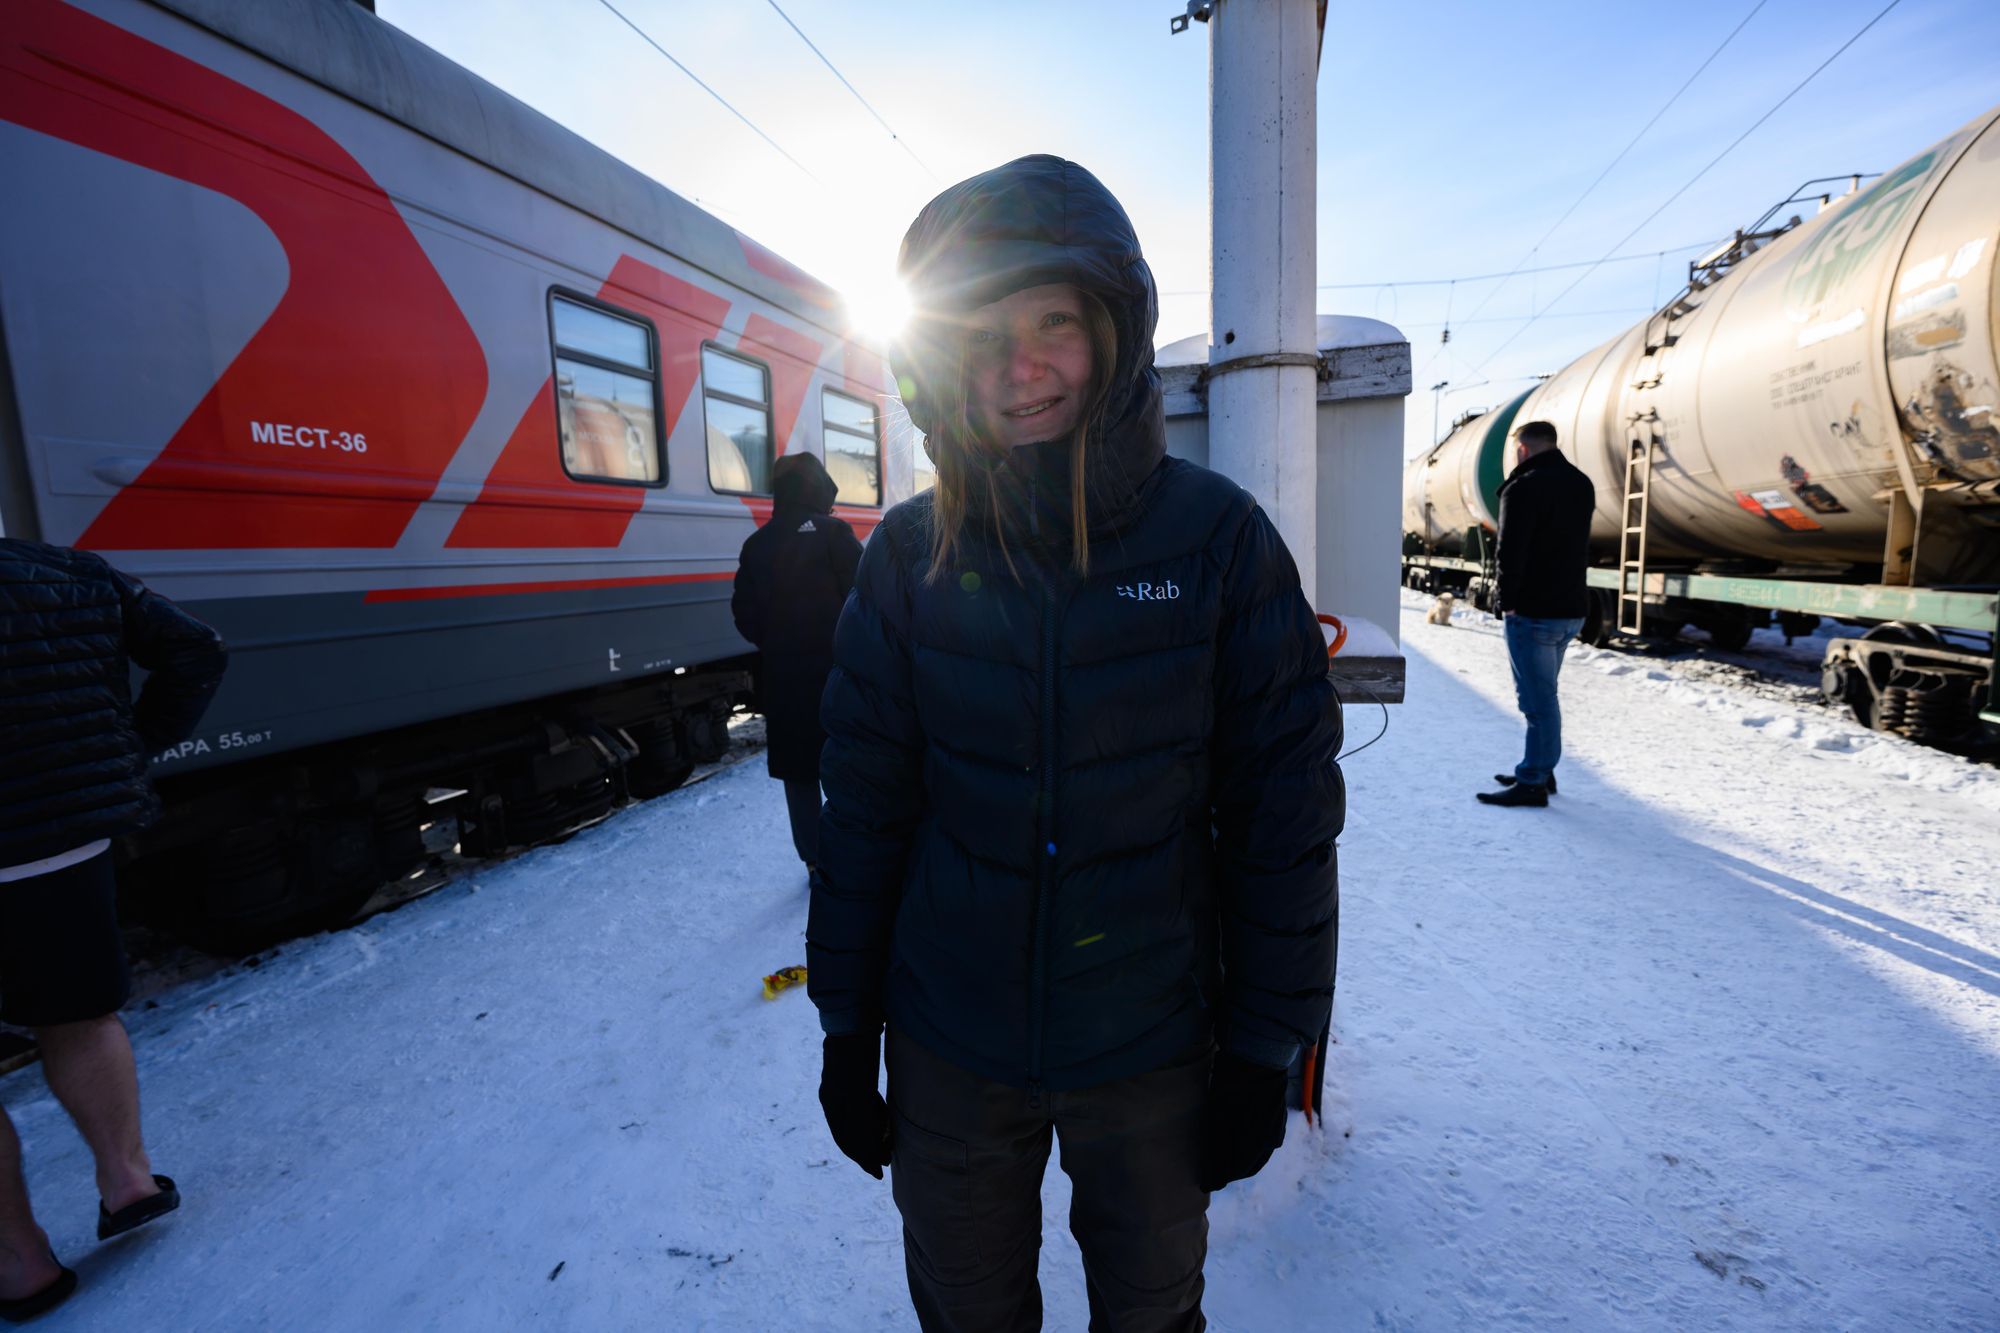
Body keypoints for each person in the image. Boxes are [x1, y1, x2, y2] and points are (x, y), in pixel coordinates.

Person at [808, 155, 1344, 1332]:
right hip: (952, 1043)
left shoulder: (1215, 542)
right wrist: (848, 1029)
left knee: (1150, 1317)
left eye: (1052, 319)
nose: (1022, 364)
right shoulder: (907, 560)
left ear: (1111, 329)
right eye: (985, 332)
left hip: (1148, 1045)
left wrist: (1262, 1044)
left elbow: (1282, 813)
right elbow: (864, 813)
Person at [0, 538, 226, 1321]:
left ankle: (18, 1261)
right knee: (79, 1013)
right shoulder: (68, 573)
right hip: (56, 844)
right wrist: (125, 751)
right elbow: (197, 649)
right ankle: (127, 1180)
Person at [731, 452, 863, 874]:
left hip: (785, 678)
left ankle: (814, 860)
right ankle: (857, 850)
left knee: (800, 773)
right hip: (840, 673)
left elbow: (744, 615)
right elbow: (866, 596)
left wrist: (777, 641)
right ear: (820, 488)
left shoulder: (757, 544)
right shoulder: (834, 532)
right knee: (849, 762)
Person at [1477, 419, 1596, 809]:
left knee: (1537, 702)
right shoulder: (1581, 483)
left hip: (1533, 611)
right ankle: (1540, 767)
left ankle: (1532, 782)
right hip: (1570, 609)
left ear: (1523, 449)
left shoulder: (1523, 487)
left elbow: (1510, 552)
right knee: (1546, 695)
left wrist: (1504, 600)